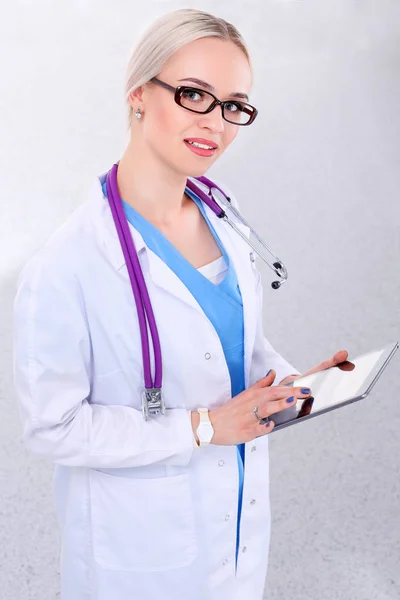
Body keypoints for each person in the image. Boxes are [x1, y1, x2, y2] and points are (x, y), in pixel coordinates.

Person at [12, 8, 347, 600]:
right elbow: (52, 427)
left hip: (235, 527)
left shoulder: (223, 211)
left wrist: (290, 382)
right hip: (138, 556)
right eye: (194, 94)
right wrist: (201, 428)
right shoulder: (67, 266)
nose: (215, 124)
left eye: (234, 105)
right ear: (139, 94)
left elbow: (233, 342)